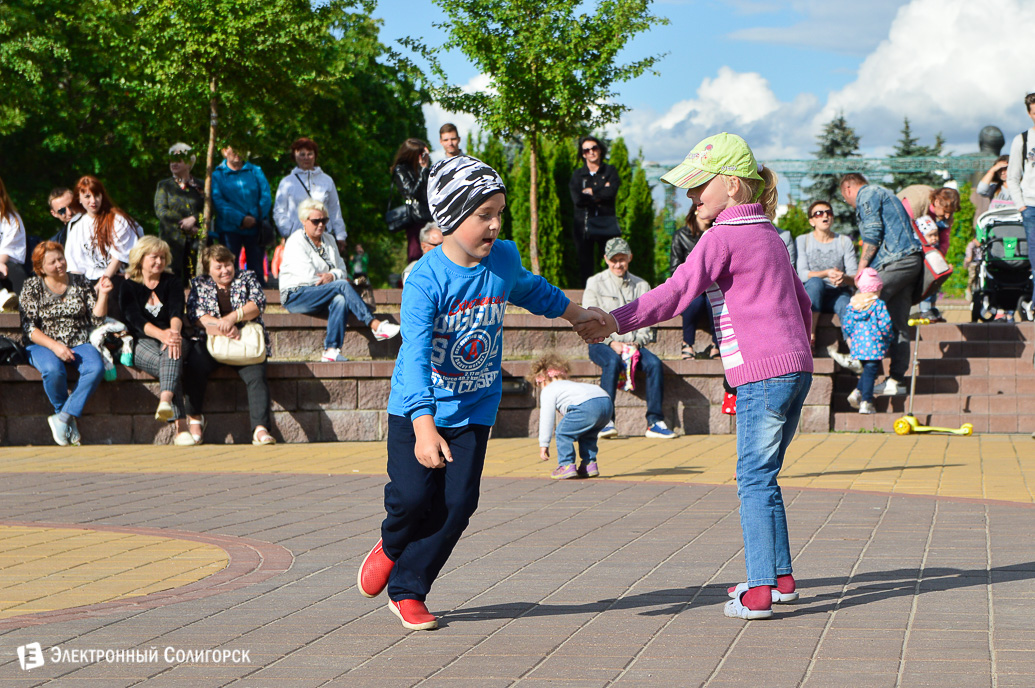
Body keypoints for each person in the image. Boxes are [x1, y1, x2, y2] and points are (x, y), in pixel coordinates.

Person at [356, 154, 601, 631]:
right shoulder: (424, 280)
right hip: (417, 406)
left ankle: (408, 589)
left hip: (473, 406)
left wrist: (575, 314)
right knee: (409, 498)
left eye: (498, 215)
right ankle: (391, 543)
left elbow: (534, 291)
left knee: (457, 505)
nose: (494, 226)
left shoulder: (503, 259)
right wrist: (424, 426)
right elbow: (415, 356)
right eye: (482, 216)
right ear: (448, 219)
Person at [575, 133, 813, 620]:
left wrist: (616, 320)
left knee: (752, 479)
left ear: (731, 184)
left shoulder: (722, 237)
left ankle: (762, 591)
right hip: (796, 370)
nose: (691, 196)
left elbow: (677, 292)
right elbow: (804, 305)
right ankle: (781, 577)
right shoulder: (769, 234)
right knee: (766, 477)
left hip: (761, 376)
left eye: (699, 186)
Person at [279, 199, 400, 362]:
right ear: (303, 221)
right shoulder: (296, 241)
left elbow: (342, 271)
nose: (321, 225)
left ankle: (331, 349)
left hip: (321, 293)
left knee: (340, 299)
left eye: (324, 220)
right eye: (316, 221)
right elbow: (308, 278)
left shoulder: (329, 240)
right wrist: (335, 278)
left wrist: (332, 276)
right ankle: (374, 324)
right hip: (296, 294)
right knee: (341, 286)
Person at [19, 242, 112, 446]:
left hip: (78, 341)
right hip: (43, 344)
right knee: (53, 370)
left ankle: (62, 418)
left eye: (60, 258)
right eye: (52, 262)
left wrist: (103, 294)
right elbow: (29, 328)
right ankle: (66, 417)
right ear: (40, 268)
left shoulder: (80, 281)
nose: (59, 264)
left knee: (95, 368)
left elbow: (96, 320)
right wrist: (55, 347)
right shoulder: (32, 286)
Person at [839, 173, 923, 396]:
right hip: (911, 262)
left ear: (848, 188)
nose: (848, 202)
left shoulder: (868, 193)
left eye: (845, 198)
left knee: (863, 298)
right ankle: (896, 381)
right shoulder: (887, 194)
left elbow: (873, 232)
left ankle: (855, 357)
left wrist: (861, 269)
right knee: (898, 323)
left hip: (895, 261)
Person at [583, 236, 674, 440]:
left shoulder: (642, 285)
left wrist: (637, 342)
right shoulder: (595, 283)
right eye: (614, 259)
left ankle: (655, 422)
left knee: (654, 364)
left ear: (630, 258)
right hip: (602, 343)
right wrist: (611, 343)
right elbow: (589, 319)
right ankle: (605, 421)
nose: (618, 264)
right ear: (606, 259)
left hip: (633, 345)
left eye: (622, 259)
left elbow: (648, 319)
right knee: (612, 362)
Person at [184, 244, 275, 446]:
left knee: (257, 375)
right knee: (194, 364)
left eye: (228, 265)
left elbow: (258, 304)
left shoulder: (247, 277)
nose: (225, 270)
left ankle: (260, 429)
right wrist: (222, 327)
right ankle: (195, 419)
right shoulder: (200, 284)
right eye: (219, 267)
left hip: (244, 339)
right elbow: (196, 315)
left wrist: (234, 318)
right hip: (212, 340)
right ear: (209, 269)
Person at [119, 236, 193, 445]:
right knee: (170, 361)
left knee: (171, 353)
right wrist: (162, 335)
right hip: (141, 341)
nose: (159, 262)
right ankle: (182, 428)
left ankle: (165, 401)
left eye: (162, 257)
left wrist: (174, 334)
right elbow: (134, 319)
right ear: (140, 258)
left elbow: (177, 311)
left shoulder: (172, 282)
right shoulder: (129, 286)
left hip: (174, 336)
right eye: (154, 257)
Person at [527, 353, 613, 480]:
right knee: (588, 434)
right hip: (605, 401)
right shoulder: (571, 385)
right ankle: (589, 465)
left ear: (542, 378)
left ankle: (566, 465)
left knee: (563, 432)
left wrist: (543, 444)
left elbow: (547, 418)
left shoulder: (549, 389)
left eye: (538, 384)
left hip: (586, 406)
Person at [795, 200, 858, 348]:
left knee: (845, 304)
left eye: (828, 213)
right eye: (819, 214)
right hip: (812, 295)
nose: (825, 216)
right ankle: (810, 337)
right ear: (812, 221)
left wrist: (843, 277)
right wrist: (827, 273)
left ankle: (856, 351)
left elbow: (854, 277)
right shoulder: (803, 240)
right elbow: (802, 275)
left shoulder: (844, 241)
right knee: (815, 282)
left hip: (837, 293)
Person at [272, 137, 347, 254]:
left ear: (315, 155)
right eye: (302, 154)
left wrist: (340, 235)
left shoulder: (327, 181)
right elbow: (279, 211)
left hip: (323, 238)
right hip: (297, 239)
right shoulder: (286, 182)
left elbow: (334, 209)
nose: (306, 158)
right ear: (294, 156)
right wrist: (289, 231)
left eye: (309, 154)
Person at [210, 145, 272, 286]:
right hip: (228, 229)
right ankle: (228, 301)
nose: (237, 154)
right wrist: (240, 219)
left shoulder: (256, 171)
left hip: (256, 228)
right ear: (225, 151)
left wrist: (253, 217)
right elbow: (218, 201)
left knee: (256, 269)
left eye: (241, 150)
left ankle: (258, 301)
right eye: (234, 150)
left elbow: (266, 197)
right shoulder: (217, 175)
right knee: (228, 266)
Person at [897, 185, 960, 322]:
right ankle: (917, 308)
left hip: (928, 243)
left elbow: (944, 238)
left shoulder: (944, 215)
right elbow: (902, 230)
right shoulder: (914, 204)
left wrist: (938, 257)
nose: (948, 215)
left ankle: (930, 307)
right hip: (905, 238)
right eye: (946, 211)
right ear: (937, 202)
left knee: (934, 273)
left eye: (951, 212)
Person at [65, 175, 140, 285]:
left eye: (96, 195)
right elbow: (75, 265)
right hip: (88, 281)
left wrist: (102, 284)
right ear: (79, 198)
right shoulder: (76, 227)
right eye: (87, 196)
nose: (93, 201)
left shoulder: (117, 220)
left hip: (115, 278)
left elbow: (118, 258)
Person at [842, 268, 893, 416]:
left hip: (859, 346)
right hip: (875, 346)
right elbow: (886, 325)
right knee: (870, 373)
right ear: (877, 289)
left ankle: (857, 392)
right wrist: (888, 337)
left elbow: (847, 325)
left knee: (867, 372)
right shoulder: (878, 305)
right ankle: (866, 402)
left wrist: (854, 338)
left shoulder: (852, 305)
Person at [669, 204, 718, 359]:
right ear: (697, 208)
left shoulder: (717, 234)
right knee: (695, 302)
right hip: (690, 287)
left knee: (714, 302)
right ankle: (687, 344)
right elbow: (675, 268)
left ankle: (717, 345)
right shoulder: (681, 235)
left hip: (712, 285)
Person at [569, 136, 620, 283]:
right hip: (584, 226)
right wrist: (602, 191)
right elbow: (578, 200)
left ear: (600, 150)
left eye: (594, 148)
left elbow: (611, 194)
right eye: (586, 150)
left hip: (607, 224)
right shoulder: (578, 175)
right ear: (583, 154)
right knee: (586, 266)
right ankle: (587, 297)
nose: (591, 152)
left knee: (610, 260)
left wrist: (591, 192)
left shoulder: (610, 171)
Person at [154, 142, 206, 279]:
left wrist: (195, 219)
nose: (174, 163)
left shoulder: (201, 185)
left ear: (189, 163)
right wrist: (184, 224)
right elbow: (161, 211)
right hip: (171, 243)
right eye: (172, 160)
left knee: (197, 280)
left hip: (197, 242)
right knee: (172, 281)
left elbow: (210, 211)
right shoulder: (164, 185)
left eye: (179, 160)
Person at [1007, 93, 1035, 321]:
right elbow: (1012, 177)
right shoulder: (1022, 140)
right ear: (1029, 113)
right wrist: (1021, 205)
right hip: (1032, 207)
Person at [390, 138, 432, 263]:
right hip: (415, 218)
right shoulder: (401, 169)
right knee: (416, 255)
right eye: (421, 154)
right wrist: (423, 170)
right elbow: (412, 192)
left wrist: (425, 169)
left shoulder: (421, 168)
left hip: (429, 216)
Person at [0, 175, 28, 309]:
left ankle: (25, 307)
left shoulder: (11, 219)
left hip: (5, 263)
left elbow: (10, 248)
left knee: (17, 272)